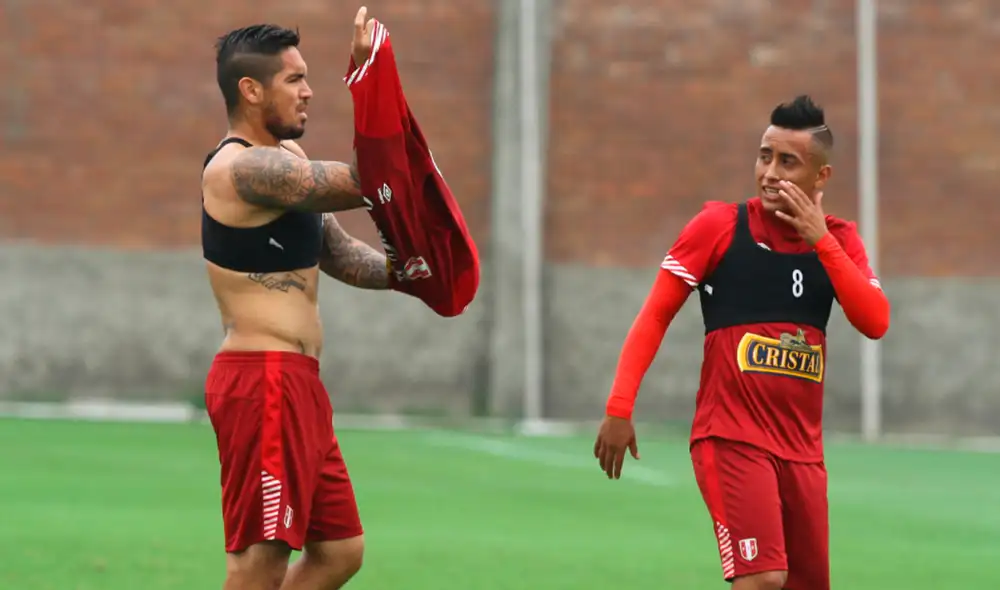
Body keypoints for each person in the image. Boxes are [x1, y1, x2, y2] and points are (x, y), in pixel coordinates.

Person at [593, 95, 890, 590]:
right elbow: (654, 317)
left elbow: (875, 321)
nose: (770, 172)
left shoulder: (839, 242)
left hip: (803, 454)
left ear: (821, 178)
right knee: (763, 577)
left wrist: (822, 241)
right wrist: (619, 407)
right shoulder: (717, 227)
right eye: (764, 156)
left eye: (787, 162)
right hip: (730, 438)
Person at [200, 9, 386, 590]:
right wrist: (371, 81)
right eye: (294, 80)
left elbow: (344, 257)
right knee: (259, 563)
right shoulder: (242, 168)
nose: (309, 92)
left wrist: (417, 272)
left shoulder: (291, 164)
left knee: (339, 551)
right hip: (264, 380)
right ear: (251, 91)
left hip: (299, 382)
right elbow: (365, 180)